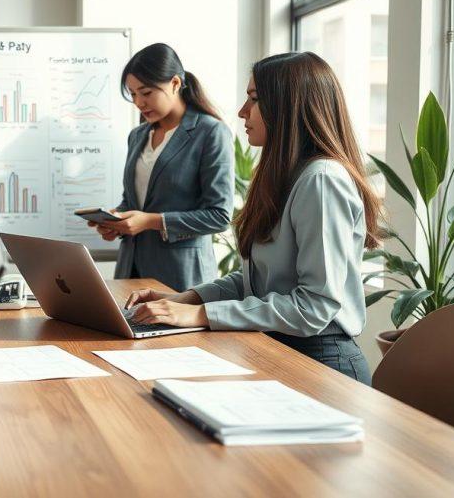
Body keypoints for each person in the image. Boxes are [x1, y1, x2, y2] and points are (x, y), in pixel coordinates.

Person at [125, 51, 380, 384]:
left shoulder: (321, 180)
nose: (242, 112)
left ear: (288, 107)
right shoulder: (284, 175)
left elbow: (314, 306)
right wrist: (185, 299)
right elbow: (255, 280)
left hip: (323, 362)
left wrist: (200, 314)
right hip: (279, 347)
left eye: (254, 99)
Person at [91, 43, 233, 292]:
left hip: (180, 276)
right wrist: (117, 221)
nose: (139, 102)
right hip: (130, 271)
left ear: (175, 84)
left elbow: (219, 216)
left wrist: (151, 222)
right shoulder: (137, 136)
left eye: (146, 93)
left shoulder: (210, 133)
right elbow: (133, 203)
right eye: (133, 94)